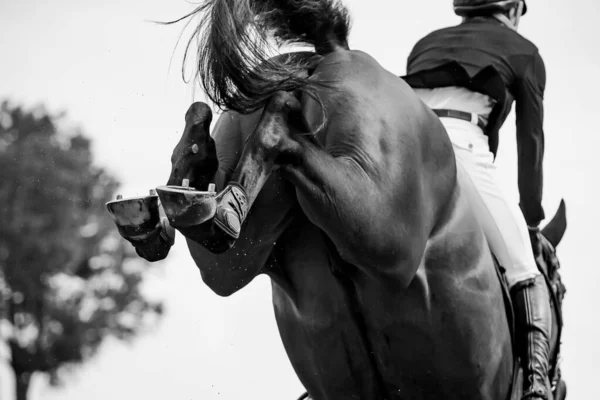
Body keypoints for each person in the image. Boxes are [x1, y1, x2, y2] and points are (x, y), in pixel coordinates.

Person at [402, 1, 553, 399]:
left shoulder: (425, 43)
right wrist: (531, 219)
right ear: (513, 9)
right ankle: (538, 383)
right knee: (525, 269)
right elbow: (530, 143)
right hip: (457, 145)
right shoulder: (525, 52)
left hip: (402, 145)